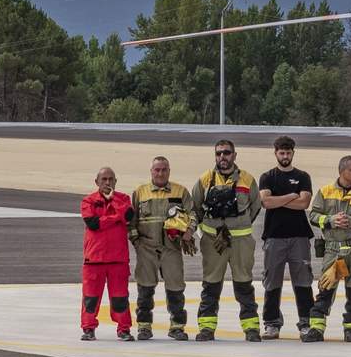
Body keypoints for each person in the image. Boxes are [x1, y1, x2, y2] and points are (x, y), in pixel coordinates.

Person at [186, 139, 262, 342]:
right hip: (213, 242)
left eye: (227, 153)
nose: (222, 157)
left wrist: (236, 226)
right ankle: (206, 328)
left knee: (244, 284)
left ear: (234, 155)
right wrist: (205, 230)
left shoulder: (247, 180)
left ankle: (251, 328)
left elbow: (255, 206)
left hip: (241, 242)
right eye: (218, 153)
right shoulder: (205, 180)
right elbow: (195, 207)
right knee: (211, 284)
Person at [306, 155, 351, 342]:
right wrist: (331, 220)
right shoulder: (325, 192)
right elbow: (313, 216)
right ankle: (317, 328)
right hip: (333, 251)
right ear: (341, 171)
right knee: (326, 288)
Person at [127, 156, 192, 340]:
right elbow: (131, 221)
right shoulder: (140, 192)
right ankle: (144, 327)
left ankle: (177, 327)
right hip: (146, 248)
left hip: (171, 248)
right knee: (145, 288)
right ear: (151, 171)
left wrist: (189, 231)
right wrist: (136, 242)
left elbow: (192, 214)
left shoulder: (180, 191)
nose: (160, 173)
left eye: (164, 170)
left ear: (169, 171)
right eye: (157, 170)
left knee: (176, 287)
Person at [256, 135, 314, 340]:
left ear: (293, 153)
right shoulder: (267, 177)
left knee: (303, 281)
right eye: (281, 153)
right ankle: (272, 323)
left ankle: (306, 322)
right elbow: (266, 202)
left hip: (299, 236)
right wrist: (291, 196)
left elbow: (304, 203)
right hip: (274, 236)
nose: (285, 156)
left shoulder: (303, 176)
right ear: (276, 153)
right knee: (272, 281)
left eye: (288, 153)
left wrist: (278, 200)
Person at [80, 167, 134, 342]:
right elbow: (93, 223)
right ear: (97, 182)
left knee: (120, 298)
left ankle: (123, 329)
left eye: (111, 179)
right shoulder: (88, 201)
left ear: (116, 181)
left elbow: (128, 216)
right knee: (90, 298)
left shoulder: (123, 199)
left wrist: (114, 201)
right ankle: (88, 329)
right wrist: (116, 218)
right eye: (104, 179)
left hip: (118, 259)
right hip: (94, 259)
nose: (107, 182)